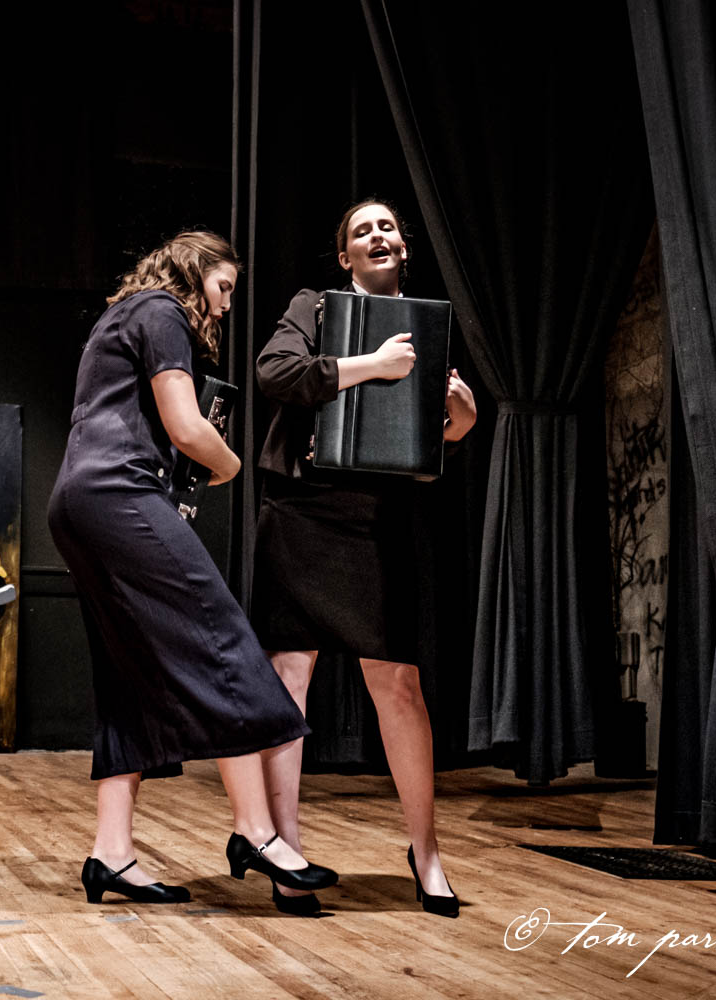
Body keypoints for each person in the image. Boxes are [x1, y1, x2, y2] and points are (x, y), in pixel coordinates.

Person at [48, 231, 337, 914]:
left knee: (126, 678)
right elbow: (185, 426)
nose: (227, 304)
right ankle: (255, 831)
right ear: (193, 270)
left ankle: (111, 852)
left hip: (76, 500)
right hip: (119, 493)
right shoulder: (162, 311)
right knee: (222, 639)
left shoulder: (120, 315)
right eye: (224, 287)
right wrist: (228, 465)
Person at [252, 199, 477, 918]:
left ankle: (427, 853)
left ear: (403, 246)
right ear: (345, 255)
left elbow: (425, 441)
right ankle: (286, 855)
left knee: (399, 685)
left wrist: (460, 423)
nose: (377, 236)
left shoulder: (427, 323)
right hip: (303, 508)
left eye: (387, 227)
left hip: (380, 515)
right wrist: (371, 366)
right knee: (289, 678)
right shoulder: (315, 306)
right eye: (361, 231)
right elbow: (275, 372)